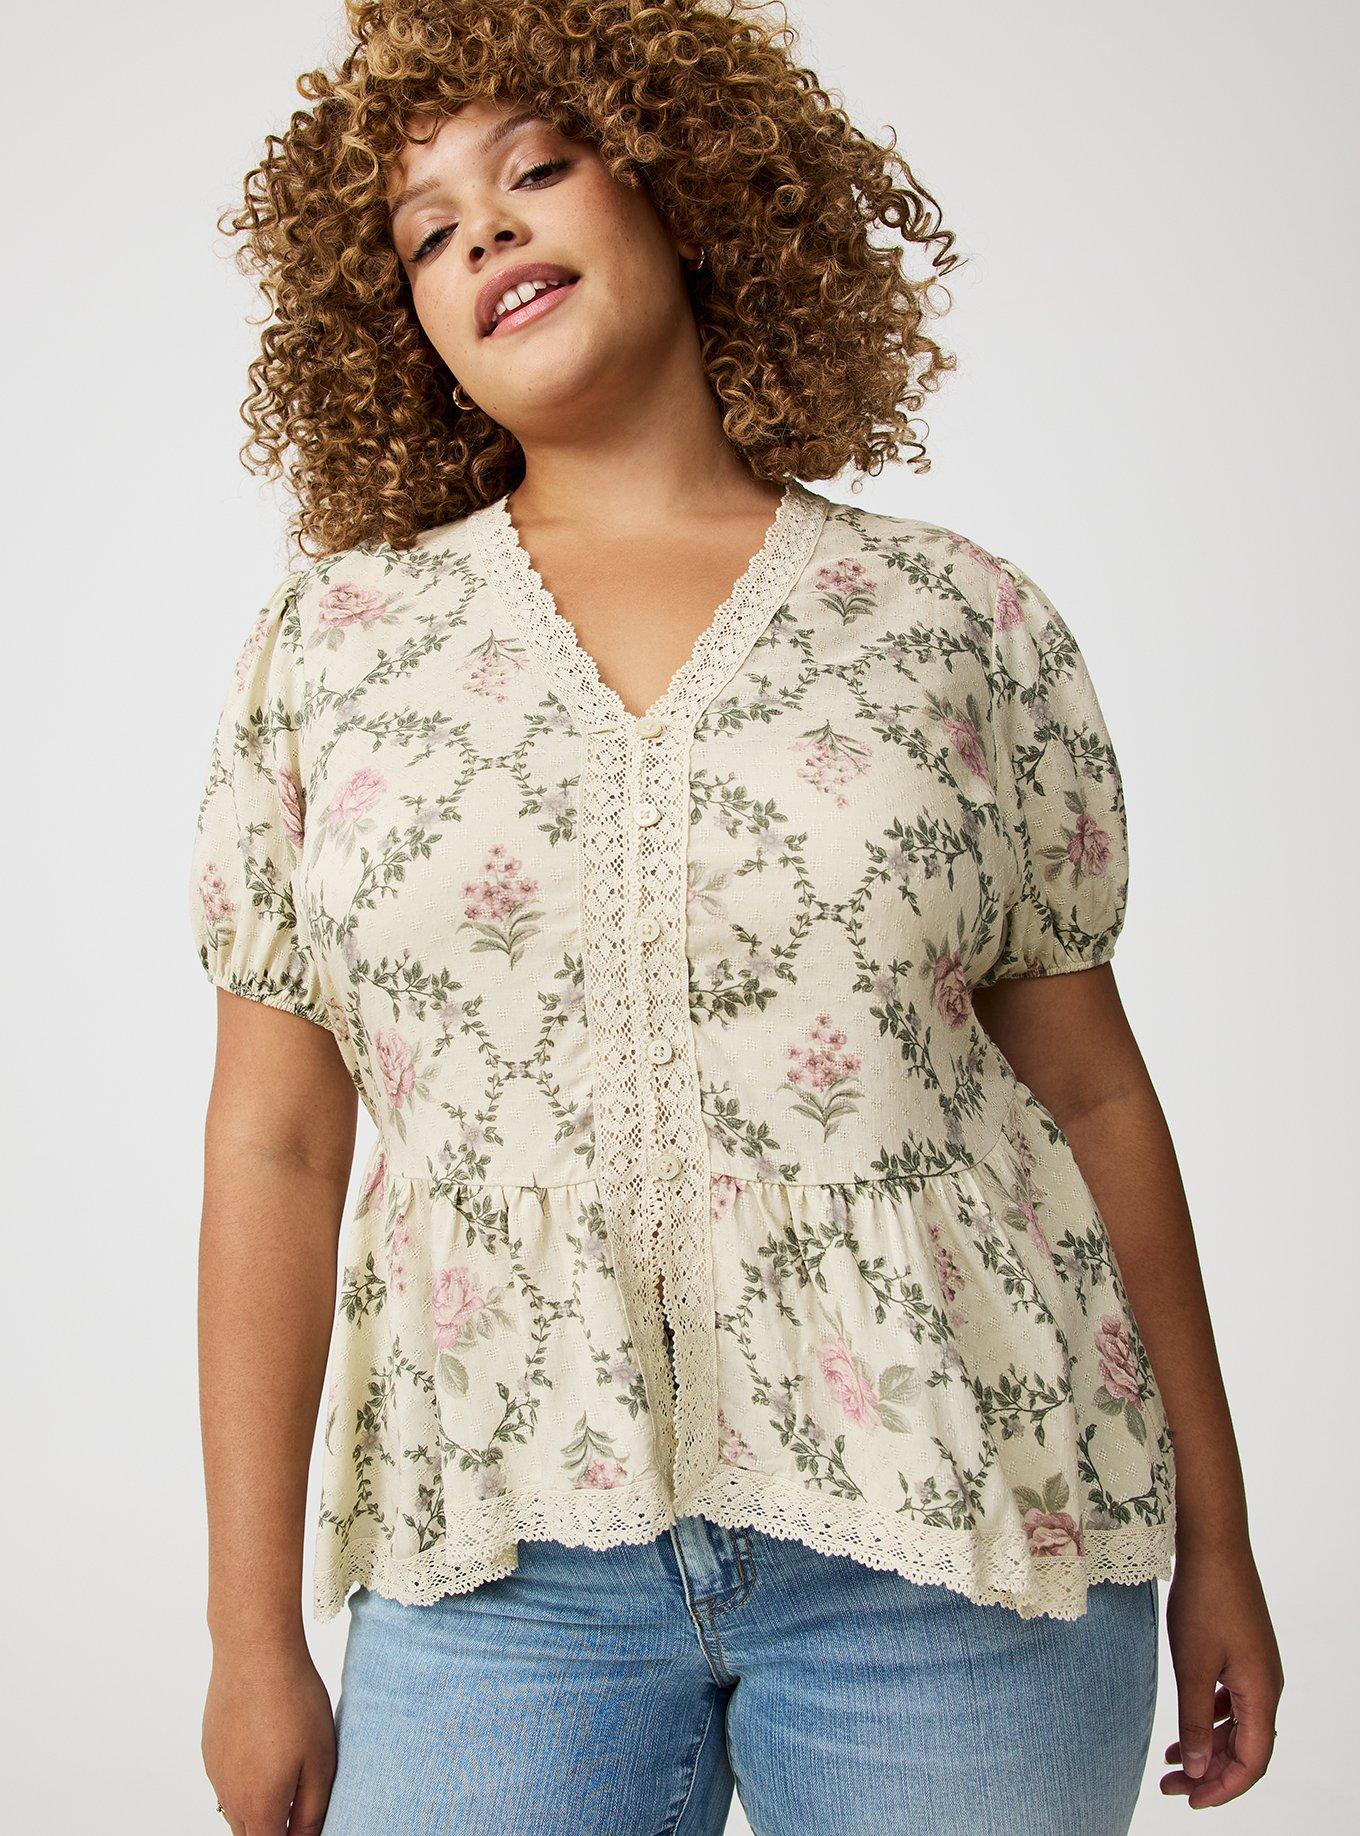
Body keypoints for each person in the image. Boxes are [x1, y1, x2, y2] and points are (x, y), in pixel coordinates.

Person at [190, 3, 1282, 1832]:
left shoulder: (954, 623)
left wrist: (1222, 1543)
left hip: (969, 1545)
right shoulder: (337, 654)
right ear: (398, 324)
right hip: (499, 1566)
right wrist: (248, 1634)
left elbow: (1093, 1097)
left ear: (678, 186)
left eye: (538, 169)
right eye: (429, 233)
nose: (487, 234)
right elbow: (277, 1146)